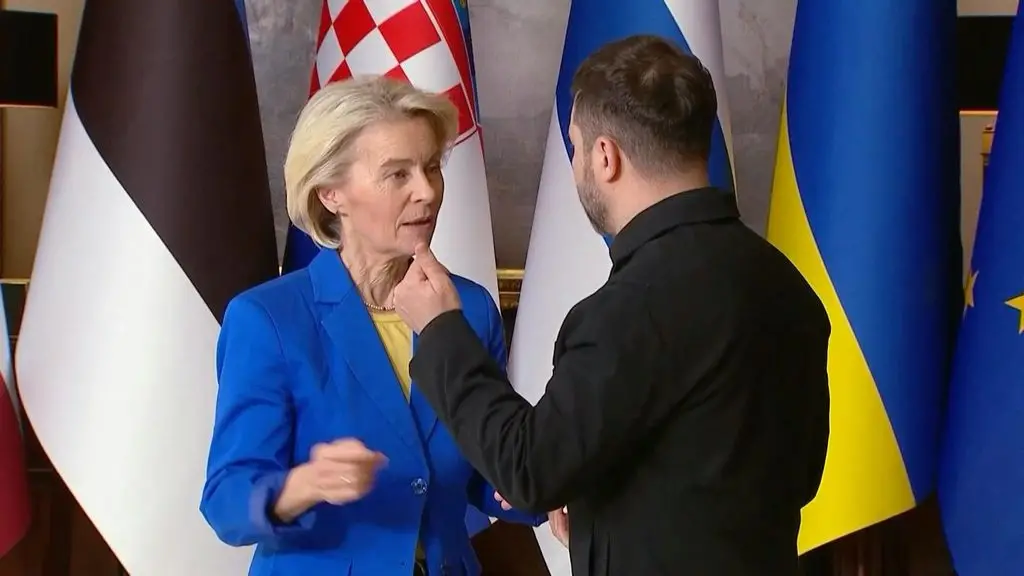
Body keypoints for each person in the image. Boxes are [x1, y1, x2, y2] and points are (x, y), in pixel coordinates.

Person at [392, 34, 832, 576]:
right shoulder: (786, 284)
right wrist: (604, 502)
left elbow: (529, 470)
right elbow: (792, 474)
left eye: (575, 148)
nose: (577, 165)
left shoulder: (630, 308)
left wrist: (440, 330)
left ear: (606, 157)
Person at [200, 76, 544, 576]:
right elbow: (226, 500)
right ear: (331, 194)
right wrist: (303, 485)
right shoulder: (268, 319)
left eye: (431, 167)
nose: (427, 192)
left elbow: (483, 466)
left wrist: (536, 488)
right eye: (397, 174)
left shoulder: (468, 308)